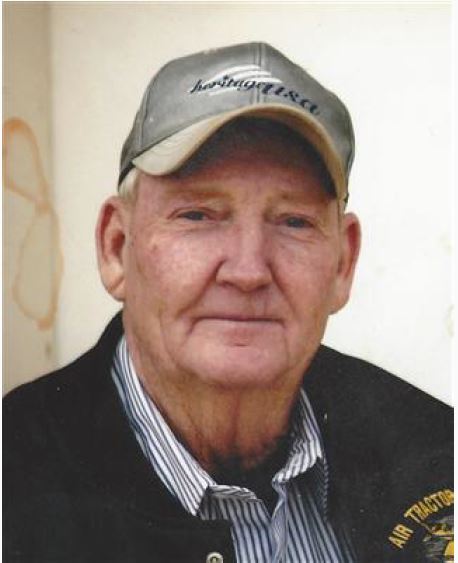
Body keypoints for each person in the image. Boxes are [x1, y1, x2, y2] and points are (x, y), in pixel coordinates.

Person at [4, 42, 453, 563]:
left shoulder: (438, 449)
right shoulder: (14, 481)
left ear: (342, 265)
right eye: (198, 215)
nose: (248, 271)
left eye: (294, 222)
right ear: (116, 247)